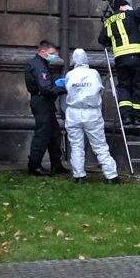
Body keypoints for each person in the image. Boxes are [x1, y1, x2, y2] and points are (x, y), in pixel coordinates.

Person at [97, 0, 140, 126]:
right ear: (122, 7)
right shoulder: (130, 14)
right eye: (127, 5)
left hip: (120, 59)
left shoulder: (108, 22)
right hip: (135, 56)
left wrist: (113, 40)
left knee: (124, 86)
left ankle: (126, 116)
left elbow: (102, 39)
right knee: (138, 85)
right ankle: (137, 117)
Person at [61, 48, 120, 185]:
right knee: (99, 145)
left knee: (76, 145)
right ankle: (111, 176)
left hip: (73, 112)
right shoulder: (94, 73)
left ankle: (79, 175)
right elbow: (99, 90)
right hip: (91, 112)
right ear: (86, 59)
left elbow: (67, 89)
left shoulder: (70, 74)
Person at [24, 39, 67, 176]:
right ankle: (34, 166)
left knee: (54, 134)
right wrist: (62, 88)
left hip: (44, 102)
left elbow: (45, 84)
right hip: (42, 102)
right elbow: (45, 88)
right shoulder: (39, 66)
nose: (54, 56)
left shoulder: (40, 64)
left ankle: (57, 165)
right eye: (52, 53)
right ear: (43, 52)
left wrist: (55, 83)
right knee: (42, 134)